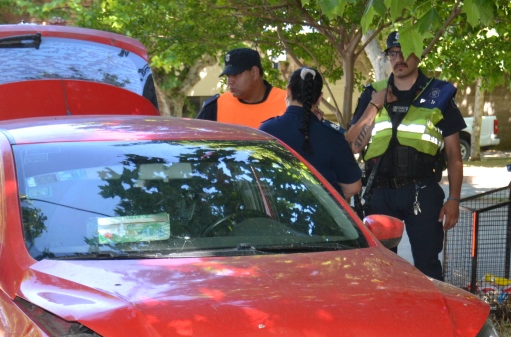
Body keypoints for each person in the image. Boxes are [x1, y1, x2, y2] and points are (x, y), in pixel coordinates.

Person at [345, 31, 465, 281]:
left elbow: (454, 154)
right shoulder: (372, 93)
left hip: (422, 192)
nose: (397, 59)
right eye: (392, 53)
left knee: (427, 267)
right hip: (379, 193)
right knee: (380, 269)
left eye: (404, 52)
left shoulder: (439, 95)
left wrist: (453, 198)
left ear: (418, 55)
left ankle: (430, 319)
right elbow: (353, 146)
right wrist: (374, 106)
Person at [258, 67, 362, 201]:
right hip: (321, 218)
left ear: (288, 91)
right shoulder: (333, 136)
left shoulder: (267, 130)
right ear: (319, 98)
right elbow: (353, 187)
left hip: (278, 218)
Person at [198, 48, 287, 129]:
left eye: (236, 75)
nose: (230, 82)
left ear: (254, 72)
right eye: (228, 76)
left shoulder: (288, 103)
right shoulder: (215, 106)